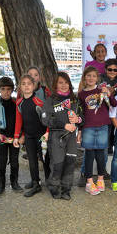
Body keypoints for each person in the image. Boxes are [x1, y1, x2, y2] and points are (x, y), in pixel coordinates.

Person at [41, 72, 82, 200]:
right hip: (56, 137)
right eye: (60, 82)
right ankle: (54, 187)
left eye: (66, 82)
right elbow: (45, 119)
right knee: (58, 164)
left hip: (71, 138)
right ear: (55, 85)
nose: (64, 85)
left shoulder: (75, 99)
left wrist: (78, 119)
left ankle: (66, 189)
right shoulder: (51, 100)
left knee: (70, 163)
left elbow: (83, 117)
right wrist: (64, 125)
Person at [77, 66, 115, 195]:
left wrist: (108, 93)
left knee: (100, 155)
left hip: (103, 126)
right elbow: (80, 114)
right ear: (84, 78)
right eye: (88, 76)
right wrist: (80, 130)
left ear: (97, 78)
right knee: (89, 155)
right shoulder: (81, 94)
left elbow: (114, 104)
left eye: (93, 76)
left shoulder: (101, 91)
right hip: (88, 127)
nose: (91, 78)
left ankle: (100, 179)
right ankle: (89, 182)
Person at [13, 74, 49, 197]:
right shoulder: (19, 103)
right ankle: (36, 183)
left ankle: (50, 181)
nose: (26, 86)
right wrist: (17, 136)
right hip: (28, 136)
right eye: (23, 84)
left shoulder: (39, 102)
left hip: (41, 135)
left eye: (29, 83)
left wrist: (47, 133)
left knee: (45, 159)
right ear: (20, 87)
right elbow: (18, 121)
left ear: (34, 86)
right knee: (32, 161)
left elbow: (48, 119)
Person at [0, 77, 23, 197]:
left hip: (15, 138)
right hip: (1, 138)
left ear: (12, 90)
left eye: (8, 89)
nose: (6, 92)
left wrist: (19, 136)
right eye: (3, 89)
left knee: (14, 162)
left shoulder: (16, 104)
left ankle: (15, 183)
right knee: (2, 162)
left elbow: (20, 121)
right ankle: (0, 185)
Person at [101, 59, 117, 154]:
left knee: (115, 132)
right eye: (110, 69)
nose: (112, 72)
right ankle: (106, 151)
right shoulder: (100, 79)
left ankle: (112, 151)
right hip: (104, 112)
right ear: (105, 69)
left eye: (115, 70)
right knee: (106, 133)